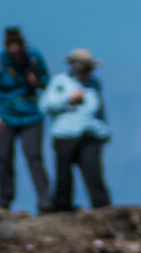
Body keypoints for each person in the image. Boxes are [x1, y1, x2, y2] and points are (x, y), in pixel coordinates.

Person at [0, 27, 52, 213]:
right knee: (4, 158)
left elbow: (47, 82)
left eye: (17, 45)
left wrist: (38, 82)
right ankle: (4, 200)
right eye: (10, 46)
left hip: (31, 116)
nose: (14, 49)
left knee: (34, 158)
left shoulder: (33, 58)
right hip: (5, 116)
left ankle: (46, 200)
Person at [41, 48, 113, 212]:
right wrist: (67, 99)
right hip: (64, 135)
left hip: (90, 135)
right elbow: (45, 105)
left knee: (94, 176)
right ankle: (61, 209)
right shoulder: (60, 82)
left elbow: (100, 111)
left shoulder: (95, 84)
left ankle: (104, 210)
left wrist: (105, 132)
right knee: (64, 178)